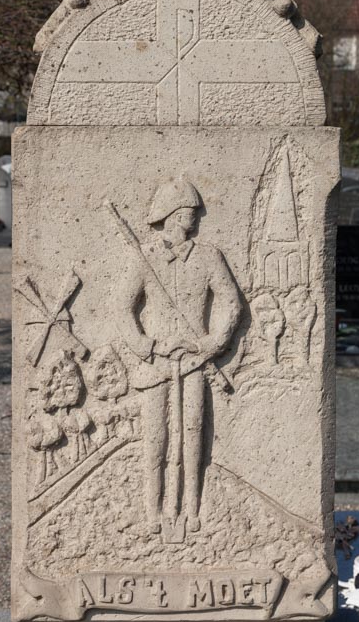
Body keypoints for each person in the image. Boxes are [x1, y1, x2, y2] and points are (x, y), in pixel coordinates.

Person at [115, 178, 241, 535]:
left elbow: (230, 302)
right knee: (156, 439)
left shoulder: (208, 256)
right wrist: (148, 346)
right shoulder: (146, 258)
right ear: (170, 216)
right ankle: (153, 512)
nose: (195, 218)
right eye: (188, 213)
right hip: (156, 365)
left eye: (196, 213)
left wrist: (211, 343)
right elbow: (123, 309)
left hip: (195, 363)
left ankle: (190, 510)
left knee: (193, 435)